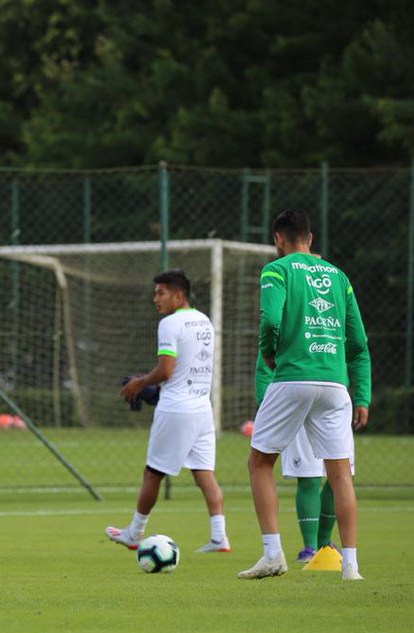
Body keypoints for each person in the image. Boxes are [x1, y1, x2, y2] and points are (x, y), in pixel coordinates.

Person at [242, 208, 371, 581]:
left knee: (260, 463)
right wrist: (361, 393)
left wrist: (270, 349)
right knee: (340, 474)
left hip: (293, 377)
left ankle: (273, 554)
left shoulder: (277, 270)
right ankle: (351, 566)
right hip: (335, 384)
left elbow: (270, 319)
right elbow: (359, 341)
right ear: (311, 238)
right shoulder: (339, 275)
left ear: (278, 238)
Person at [106, 270, 229, 554]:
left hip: (176, 409)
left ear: (178, 295)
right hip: (201, 407)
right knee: (204, 473)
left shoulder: (170, 323)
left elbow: (166, 370)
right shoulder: (204, 320)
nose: (155, 299)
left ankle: (134, 533)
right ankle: (219, 536)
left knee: (153, 474)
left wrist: (140, 383)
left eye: (161, 293)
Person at [256, 347, 368, 562]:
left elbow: (359, 350)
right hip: (294, 393)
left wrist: (363, 397)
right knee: (308, 475)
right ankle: (310, 548)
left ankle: (324, 542)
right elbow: (265, 360)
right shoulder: (291, 315)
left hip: (332, 393)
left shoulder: (338, 313)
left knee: (342, 474)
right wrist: (265, 401)